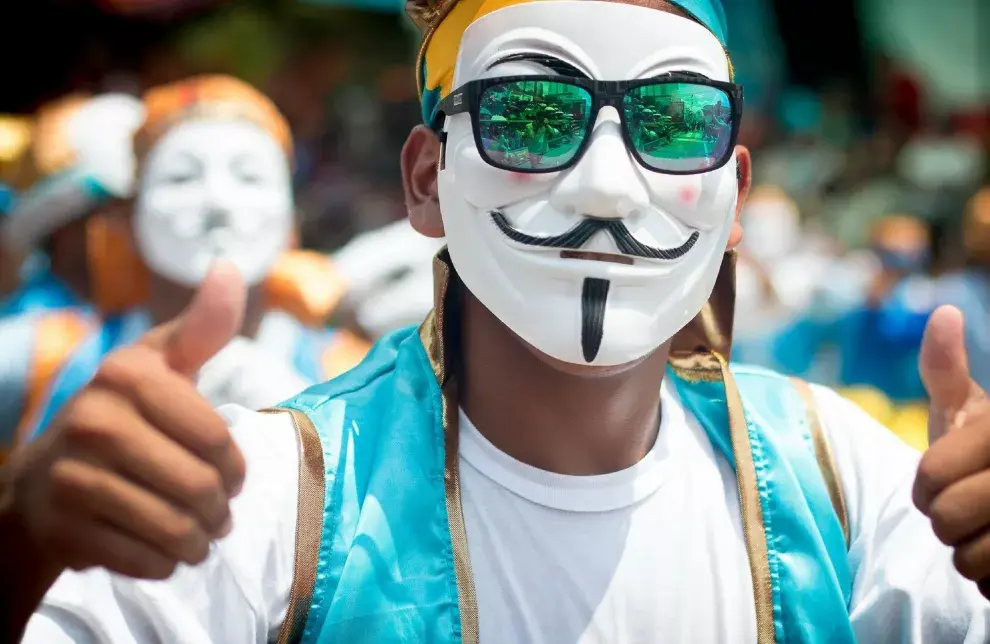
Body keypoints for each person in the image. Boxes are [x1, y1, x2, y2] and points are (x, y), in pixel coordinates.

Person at [3, 2, 990, 643]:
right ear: (427, 180)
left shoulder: (852, 484)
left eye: (677, 119)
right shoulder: (271, 499)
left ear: (730, 193)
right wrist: (18, 558)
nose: (608, 184)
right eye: (527, 114)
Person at [5, 75, 370, 446]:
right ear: (129, 217)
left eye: (250, 178)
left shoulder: (357, 375)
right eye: (181, 178)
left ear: (290, 219)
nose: (219, 204)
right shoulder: (44, 357)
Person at [0, 93, 145, 316]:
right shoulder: (33, 338)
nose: (135, 228)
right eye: (119, 209)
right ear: (63, 225)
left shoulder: (141, 315)